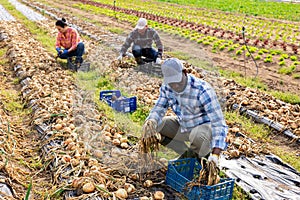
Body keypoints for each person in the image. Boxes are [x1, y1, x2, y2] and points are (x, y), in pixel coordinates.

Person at [142, 58, 228, 165]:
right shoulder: (167, 87)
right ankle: (186, 154)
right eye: (171, 83)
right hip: (184, 125)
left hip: (203, 130)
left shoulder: (202, 90)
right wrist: (151, 122)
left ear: (185, 73)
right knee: (155, 126)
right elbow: (159, 109)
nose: (175, 86)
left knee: (197, 137)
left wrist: (216, 153)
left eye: (177, 81)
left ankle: (201, 156)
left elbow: (218, 124)